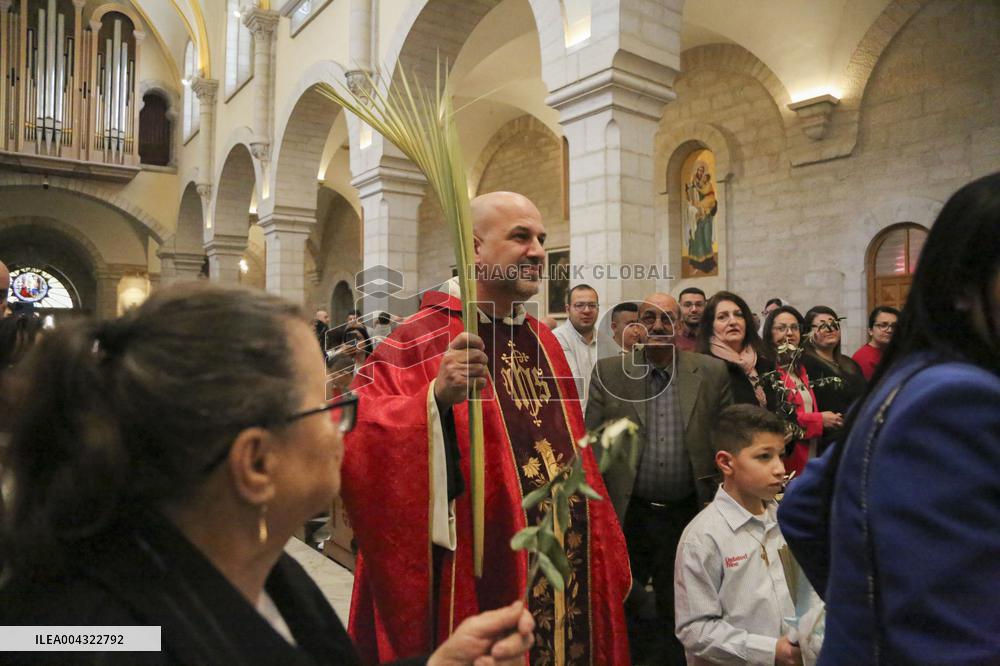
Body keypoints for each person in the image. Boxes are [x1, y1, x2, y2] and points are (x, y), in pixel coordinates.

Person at [0, 284, 534, 665]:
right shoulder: (83, 639)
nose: (344, 427)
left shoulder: (273, 573)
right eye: (324, 408)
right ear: (255, 464)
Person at [341, 192, 631, 665]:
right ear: (474, 247)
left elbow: (575, 452)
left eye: (542, 238)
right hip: (483, 566)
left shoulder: (544, 340)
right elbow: (354, 430)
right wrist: (433, 400)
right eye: (521, 237)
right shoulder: (419, 337)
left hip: (565, 553)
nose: (538, 251)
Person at [778, 172, 1000, 664]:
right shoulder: (957, 400)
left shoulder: (910, 375)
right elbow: (954, 637)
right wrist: (867, 616)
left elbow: (803, 508)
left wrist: (859, 611)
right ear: (963, 286)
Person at [586, 292, 733, 664]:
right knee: (629, 604)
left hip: (689, 511)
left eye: (666, 318)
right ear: (637, 325)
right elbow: (592, 445)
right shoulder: (609, 372)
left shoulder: (710, 372)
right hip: (629, 511)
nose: (657, 326)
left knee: (680, 603)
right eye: (648, 318)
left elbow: (728, 437)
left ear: (679, 325)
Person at [675, 405, 801, 666]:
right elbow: (695, 629)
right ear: (726, 462)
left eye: (781, 455)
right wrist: (770, 651)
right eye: (764, 457)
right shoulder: (703, 537)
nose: (779, 468)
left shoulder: (786, 521)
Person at [761, 306, 842, 478]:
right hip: (786, 457)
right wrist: (820, 420)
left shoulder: (800, 368)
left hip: (809, 453)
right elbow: (778, 418)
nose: (789, 333)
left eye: (794, 328)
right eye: (781, 328)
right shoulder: (768, 369)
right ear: (769, 333)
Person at [801, 306, 866, 454]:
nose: (830, 329)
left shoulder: (849, 363)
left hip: (857, 433)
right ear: (808, 333)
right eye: (822, 325)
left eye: (833, 324)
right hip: (829, 441)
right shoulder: (806, 363)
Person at [697, 291, 773, 409]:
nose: (733, 322)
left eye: (738, 315)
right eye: (722, 317)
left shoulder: (764, 359)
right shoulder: (704, 367)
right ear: (710, 325)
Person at [553, 283, 600, 406]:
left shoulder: (606, 340)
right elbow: (572, 386)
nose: (587, 311)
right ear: (568, 309)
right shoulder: (557, 338)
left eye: (592, 305)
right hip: (574, 413)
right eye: (579, 305)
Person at [850, 306, 899, 380]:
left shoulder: (893, 351)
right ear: (870, 330)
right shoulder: (864, 358)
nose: (890, 330)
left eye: (894, 326)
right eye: (883, 325)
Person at [675, 287, 706, 352]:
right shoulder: (673, 340)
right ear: (679, 308)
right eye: (687, 305)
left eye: (699, 305)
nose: (694, 310)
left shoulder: (715, 338)